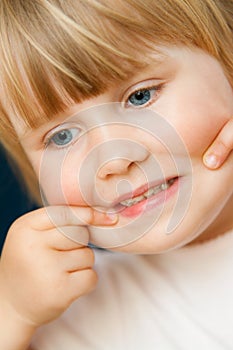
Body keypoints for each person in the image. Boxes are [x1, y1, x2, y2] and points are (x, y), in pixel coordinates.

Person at [0, 1, 233, 349]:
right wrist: (12, 313)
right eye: (62, 136)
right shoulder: (78, 315)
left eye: (140, 97)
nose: (113, 160)